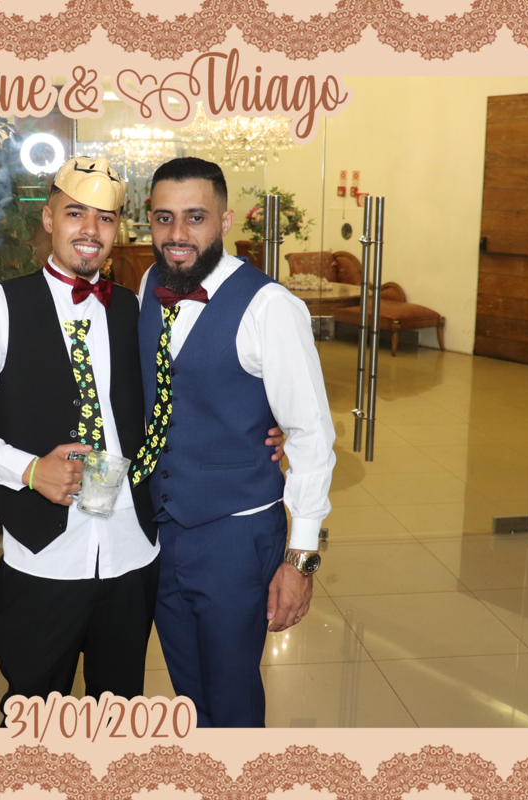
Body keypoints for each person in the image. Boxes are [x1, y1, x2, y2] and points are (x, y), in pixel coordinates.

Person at [0, 157, 160, 717]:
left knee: (120, 715)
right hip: (45, 557)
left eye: (105, 218)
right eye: (76, 213)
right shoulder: (0, 305)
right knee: (35, 716)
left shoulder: (131, 308)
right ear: (48, 218)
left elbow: (169, 400)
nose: (91, 230)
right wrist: (30, 470)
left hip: (131, 553)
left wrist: (262, 428)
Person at [137, 156, 337, 728]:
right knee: (189, 693)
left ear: (224, 221)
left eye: (195, 217)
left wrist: (300, 560)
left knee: (232, 695)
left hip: (236, 533)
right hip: (161, 529)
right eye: (164, 218)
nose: (178, 234)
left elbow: (312, 436)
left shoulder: (271, 307)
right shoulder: (150, 284)